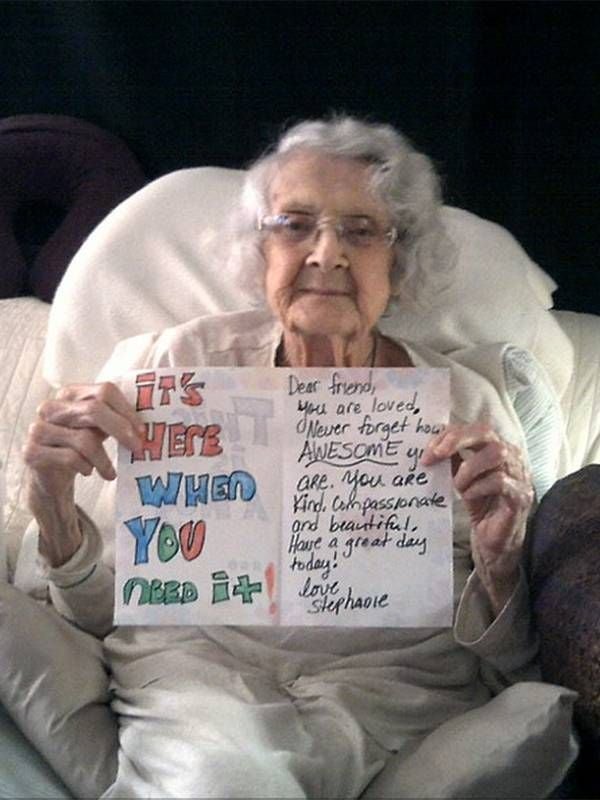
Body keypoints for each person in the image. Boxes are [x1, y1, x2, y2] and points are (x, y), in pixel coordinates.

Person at [23, 116, 577, 798]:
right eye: (295, 224)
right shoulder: (175, 370)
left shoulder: (467, 406)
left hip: (395, 696)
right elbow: (94, 614)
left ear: (398, 265)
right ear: (259, 255)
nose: (326, 253)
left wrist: (500, 563)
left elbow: (512, 667)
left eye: (361, 230)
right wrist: (51, 507)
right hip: (202, 679)